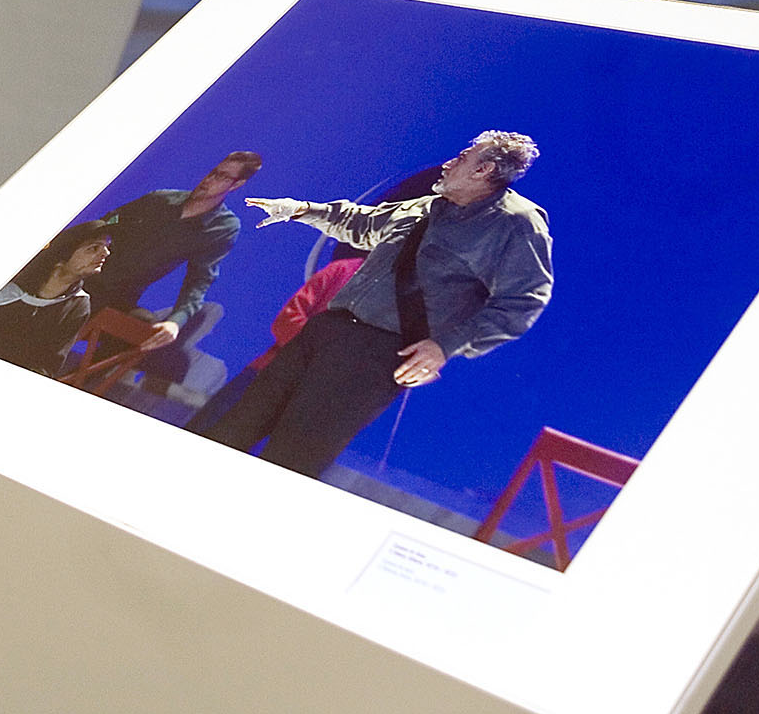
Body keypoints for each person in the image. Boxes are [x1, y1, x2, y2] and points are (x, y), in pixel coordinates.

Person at [200, 131, 552, 480]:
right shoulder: (426, 205)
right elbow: (362, 224)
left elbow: (524, 300)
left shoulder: (516, 223)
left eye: (461, 158)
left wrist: (445, 347)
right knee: (233, 429)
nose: (447, 164)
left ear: (483, 170)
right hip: (325, 331)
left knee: (291, 460)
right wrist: (299, 210)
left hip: (376, 354)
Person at [79, 152, 263, 357]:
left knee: (147, 332)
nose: (209, 179)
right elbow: (104, 224)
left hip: (116, 300)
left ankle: (73, 383)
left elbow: (199, 280)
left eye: (221, 177)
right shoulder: (160, 199)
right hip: (80, 279)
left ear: (236, 185)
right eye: (212, 172)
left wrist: (176, 322)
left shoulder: (222, 228)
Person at [184, 255, 362, 437]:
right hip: (266, 375)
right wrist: (326, 356)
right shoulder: (342, 270)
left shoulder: (389, 303)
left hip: (312, 404)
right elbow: (286, 321)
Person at [0, 223, 114, 376]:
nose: (106, 253)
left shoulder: (78, 304)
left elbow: (47, 365)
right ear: (63, 255)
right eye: (93, 248)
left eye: (107, 247)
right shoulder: (9, 283)